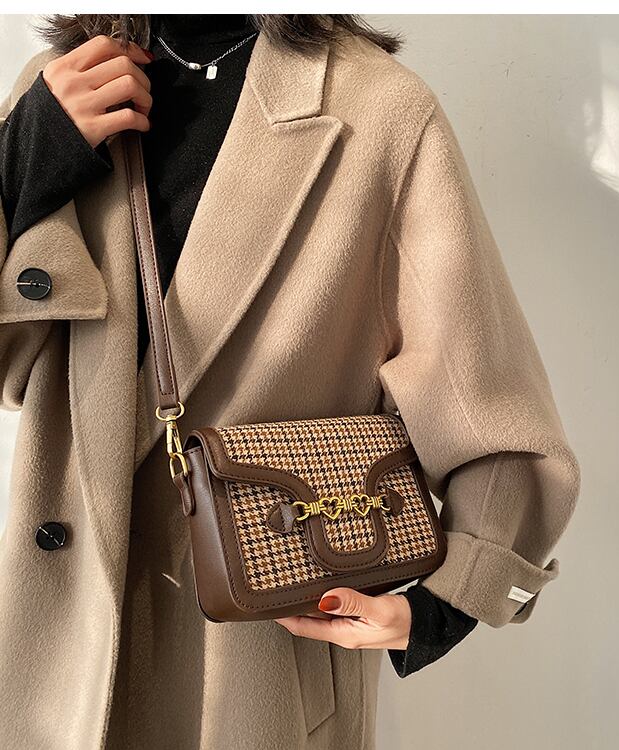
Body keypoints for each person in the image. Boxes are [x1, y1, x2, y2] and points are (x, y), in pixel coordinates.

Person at [0, 13, 581, 750]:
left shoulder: (377, 111)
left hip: (257, 659)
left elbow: (487, 393)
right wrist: (25, 159)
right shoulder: (60, 87)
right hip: (61, 647)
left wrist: (450, 602)